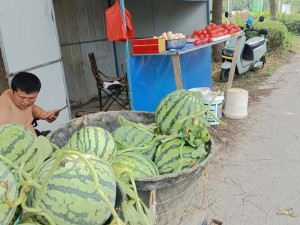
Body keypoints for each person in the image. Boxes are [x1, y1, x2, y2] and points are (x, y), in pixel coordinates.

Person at [0, 71, 60, 136]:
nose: (26, 102)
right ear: (11, 90)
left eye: (31, 98)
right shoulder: (3, 113)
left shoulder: (21, 104)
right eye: (22, 98)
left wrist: (44, 114)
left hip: (33, 137)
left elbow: (31, 108)